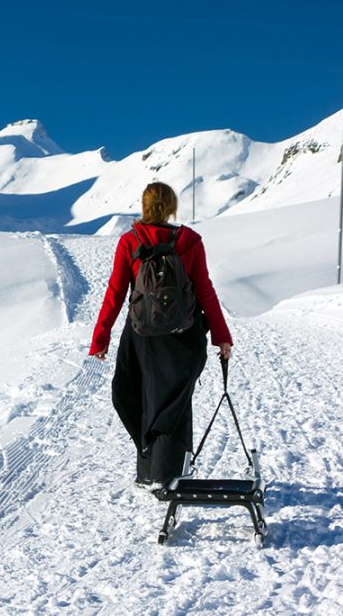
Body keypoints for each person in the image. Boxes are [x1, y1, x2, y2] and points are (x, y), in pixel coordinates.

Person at [89, 182, 233, 489]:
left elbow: (115, 293)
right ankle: (169, 473)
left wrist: (100, 339)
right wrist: (221, 336)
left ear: (143, 206)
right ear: (171, 207)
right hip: (183, 337)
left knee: (133, 396)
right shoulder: (190, 240)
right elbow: (205, 290)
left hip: (140, 337)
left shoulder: (130, 241)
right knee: (173, 403)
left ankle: (148, 467)